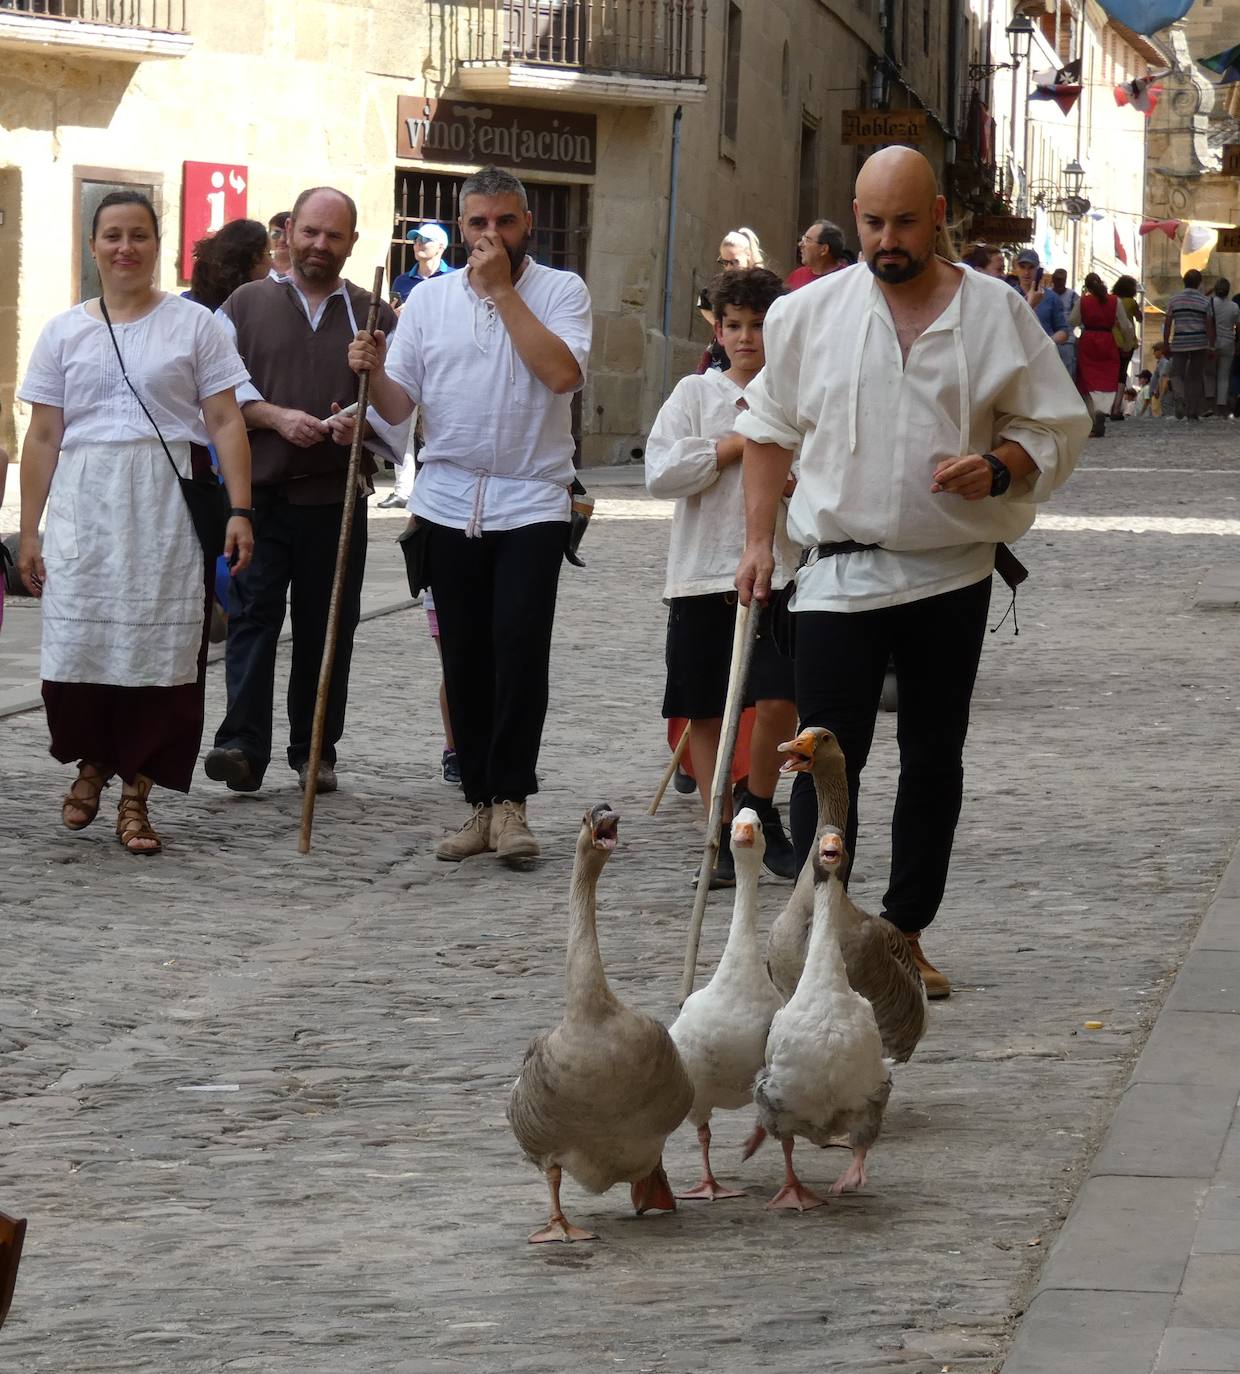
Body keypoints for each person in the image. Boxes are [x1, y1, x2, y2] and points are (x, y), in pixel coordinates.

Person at [733, 146, 1089, 998]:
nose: (886, 240)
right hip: (835, 577)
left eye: (902, 222)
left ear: (936, 215)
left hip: (948, 574)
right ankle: (824, 933)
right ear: (853, 216)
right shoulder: (806, 313)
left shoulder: (996, 312)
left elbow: (1053, 425)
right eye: (871, 222)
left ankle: (904, 934)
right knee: (824, 757)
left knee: (934, 757)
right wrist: (754, 543)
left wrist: (997, 465)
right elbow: (769, 431)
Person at [348, 165, 592, 867]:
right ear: (461, 227)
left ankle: (512, 801)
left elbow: (561, 375)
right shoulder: (428, 302)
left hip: (532, 499)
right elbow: (401, 409)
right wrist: (373, 372)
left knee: (518, 650)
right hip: (449, 499)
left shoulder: (561, 291)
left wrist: (505, 293)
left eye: (504, 223)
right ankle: (480, 804)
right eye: (478, 224)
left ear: (527, 226)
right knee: (463, 659)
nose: (491, 236)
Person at [16, 190, 254, 852]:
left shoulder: (195, 326)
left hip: (164, 500)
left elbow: (224, 419)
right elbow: (43, 436)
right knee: (80, 647)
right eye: (113, 235)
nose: (126, 247)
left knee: (161, 652)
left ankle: (135, 798)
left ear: (158, 245)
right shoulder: (64, 330)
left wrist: (239, 509)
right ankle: (91, 765)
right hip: (85, 505)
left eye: (140, 235)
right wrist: (30, 529)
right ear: (93, 247)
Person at [203, 186, 400, 796]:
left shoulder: (375, 315)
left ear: (352, 244)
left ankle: (315, 748)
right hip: (257, 495)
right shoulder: (243, 305)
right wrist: (273, 416)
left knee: (329, 624)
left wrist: (358, 424)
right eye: (310, 232)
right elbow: (213, 395)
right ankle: (241, 745)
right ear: (287, 233)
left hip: (335, 498)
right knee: (253, 618)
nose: (320, 245)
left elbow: (403, 414)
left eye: (334, 236)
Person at [647, 267, 799, 889]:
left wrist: (794, 483)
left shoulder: (795, 394)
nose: (745, 338)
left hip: (778, 568)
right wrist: (734, 446)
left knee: (778, 696)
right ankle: (720, 822)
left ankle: (758, 802)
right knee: (704, 706)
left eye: (759, 326)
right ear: (716, 326)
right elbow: (661, 471)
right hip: (701, 572)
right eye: (733, 325)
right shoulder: (694, 395)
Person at [1072, 273, 1131, 438]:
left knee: (1087, 381)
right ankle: (1102, 410)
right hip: (1107, 341)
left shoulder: (1083, 301)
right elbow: (1126, 326)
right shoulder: (1115, 301)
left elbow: (1072, 321)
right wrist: (1126, 344)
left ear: (1087, 287)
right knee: (1107, 378)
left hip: (1088, 340)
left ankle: (1093, 415)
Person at [696, 228, 764, 371]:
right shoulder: (719, 283)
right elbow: (703, 304)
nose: (729, 268)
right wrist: (723, 325)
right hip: (724, 353)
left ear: (748, 255)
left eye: (734, 262)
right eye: (724, 262)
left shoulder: (763, 283)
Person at [1163, 269, 1215, 422]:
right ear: (1199, 283)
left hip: (1180, 342)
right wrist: (1211, 346)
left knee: (1176, 374)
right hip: (1199, 342)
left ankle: (1180, 398)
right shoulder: (1205, 301)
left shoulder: (1174, 299)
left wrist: (1166, 343)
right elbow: (1209, 325)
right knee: (1196, 377)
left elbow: (1167, 323)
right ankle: (1192, 411)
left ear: (1184, 282)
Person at [186, 219, 272, 311]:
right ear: (255, 258)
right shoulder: (253, 312)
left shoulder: (186, 303)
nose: (272, 262)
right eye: (269, 254)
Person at [391, 222, 454, 306]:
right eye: (416, 240)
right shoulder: (401, 281)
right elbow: (392, 315)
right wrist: (394, 315)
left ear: (440, 247)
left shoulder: (455, 278)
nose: (418, 243)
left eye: (425, 239)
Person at [1110, 276, 1141, 419]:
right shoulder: (1131, 302)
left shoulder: (1111, 300)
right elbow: (1140, 318)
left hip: (1111, 339)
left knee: (1110, 373)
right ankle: (1116, 408)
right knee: (1122, 374)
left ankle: (1106, 405)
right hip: (1128, 341)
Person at [1209, 277, 1239, 418]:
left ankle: (1210, 405)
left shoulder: (1210, 303)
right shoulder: (1234, 306)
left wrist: (1208, 292)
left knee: (1209, 374)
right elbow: (1238, 328)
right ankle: (1221, 408)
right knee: (1224, 376)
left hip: (1212, 342)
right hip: (1228, 342)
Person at [785, 219, 845, 290]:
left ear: (824, 249)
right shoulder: (796, 277)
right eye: (803, 239)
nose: (800, 244)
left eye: (807, 240)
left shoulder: (847, 280)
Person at [1046, 268, 1079, 375]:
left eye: (1062, 280)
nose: (1060, 283)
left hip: (1067, 342)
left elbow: (1079, 318)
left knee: (1067, 375)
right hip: (1049, 340)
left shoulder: (1073, 296)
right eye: (1057, 280)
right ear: (1053, 280)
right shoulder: (1045, 294)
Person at [267, 212, 292, 279]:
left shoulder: (304, 272)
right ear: (268, 235)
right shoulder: (259, 270)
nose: (282, 239)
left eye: (287, 234)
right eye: (276, 233)